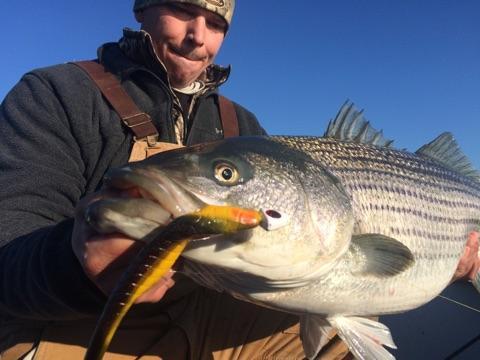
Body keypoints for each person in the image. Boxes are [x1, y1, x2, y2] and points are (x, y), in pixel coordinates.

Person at [0, 1, 478, 359]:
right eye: (183, 11)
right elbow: (8, 246)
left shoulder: (241, 124)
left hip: (209, 313)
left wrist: (447, 258)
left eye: (216, 24)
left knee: (334, 343)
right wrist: (74, 266)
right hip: (72, 322)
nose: (198, 36)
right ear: (144, 10)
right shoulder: (57, 94)